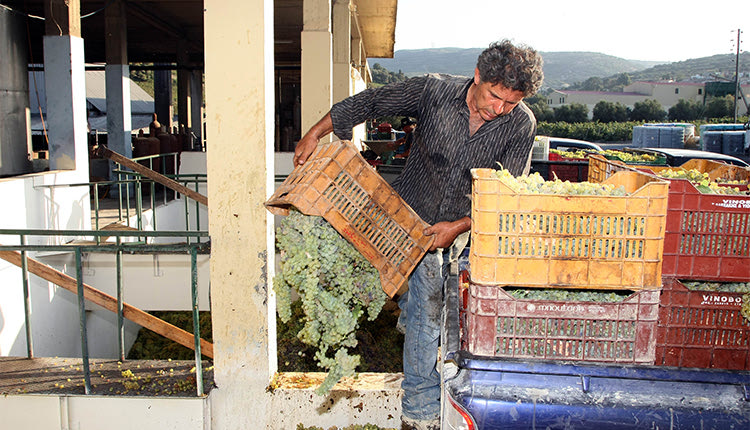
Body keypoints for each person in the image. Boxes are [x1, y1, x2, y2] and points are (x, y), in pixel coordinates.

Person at [293, 39, 544, 430]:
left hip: (459, 231)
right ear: (477, 76)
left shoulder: (520, 124)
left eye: (509, 103)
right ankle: (413, 330)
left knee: (428, 314)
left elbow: (504, 195)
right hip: (404, 218)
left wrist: (457, 227)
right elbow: (371, 102)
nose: (499, 109)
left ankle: (419, 417)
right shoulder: (433, 91)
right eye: (494, 96)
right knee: (419, 309)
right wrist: (315, 132)